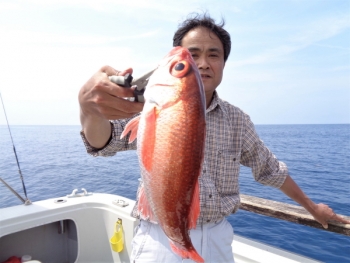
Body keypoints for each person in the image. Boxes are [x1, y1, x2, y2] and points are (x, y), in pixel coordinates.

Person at [78, 13, 350, 263]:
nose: (203, 64)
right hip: (157, 238)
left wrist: (312, 207)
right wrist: (88, 109)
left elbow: (270, 170)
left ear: (224, 63)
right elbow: (103, 143)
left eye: (214, 55)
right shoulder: (148, 109)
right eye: (192, 55)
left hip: (218, 238)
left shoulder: (237, 120)